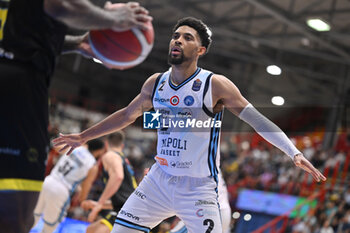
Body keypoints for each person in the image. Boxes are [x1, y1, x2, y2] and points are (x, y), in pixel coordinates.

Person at [53, 17, 327, 233]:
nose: (178, 40)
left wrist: (294, 152)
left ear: (201, 49)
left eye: (187, 38)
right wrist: (83, 137)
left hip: (199, 188)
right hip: (158, 181)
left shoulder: (214, 84)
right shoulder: (155, 83)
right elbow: (127, 115)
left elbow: (257, 120)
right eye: (175, 36)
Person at [0, 0, 151, 232]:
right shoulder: (100, 160)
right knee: (15, 216)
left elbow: (21, 38)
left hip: (16, 79)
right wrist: (112, 19)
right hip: (19, 91)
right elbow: (57, 5)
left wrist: (78, 43)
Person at [32, 139, 106, 233]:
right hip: (61, 190)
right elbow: (85, 189)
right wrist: (83, 201)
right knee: (50, 226)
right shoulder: (93, 166)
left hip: (48, 181)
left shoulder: (77, 147)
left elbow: (56, 146)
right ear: (99, 151)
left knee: (33, 216)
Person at [81, 131, 137, 233]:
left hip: (128, 211)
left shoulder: (110, 155)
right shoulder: (124, 161)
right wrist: (98, 204)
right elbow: (122, 198)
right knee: (90, 230)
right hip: (127, 208)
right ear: (122, 145)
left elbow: (118, 177)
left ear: (106, 144)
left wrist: (98, 205)